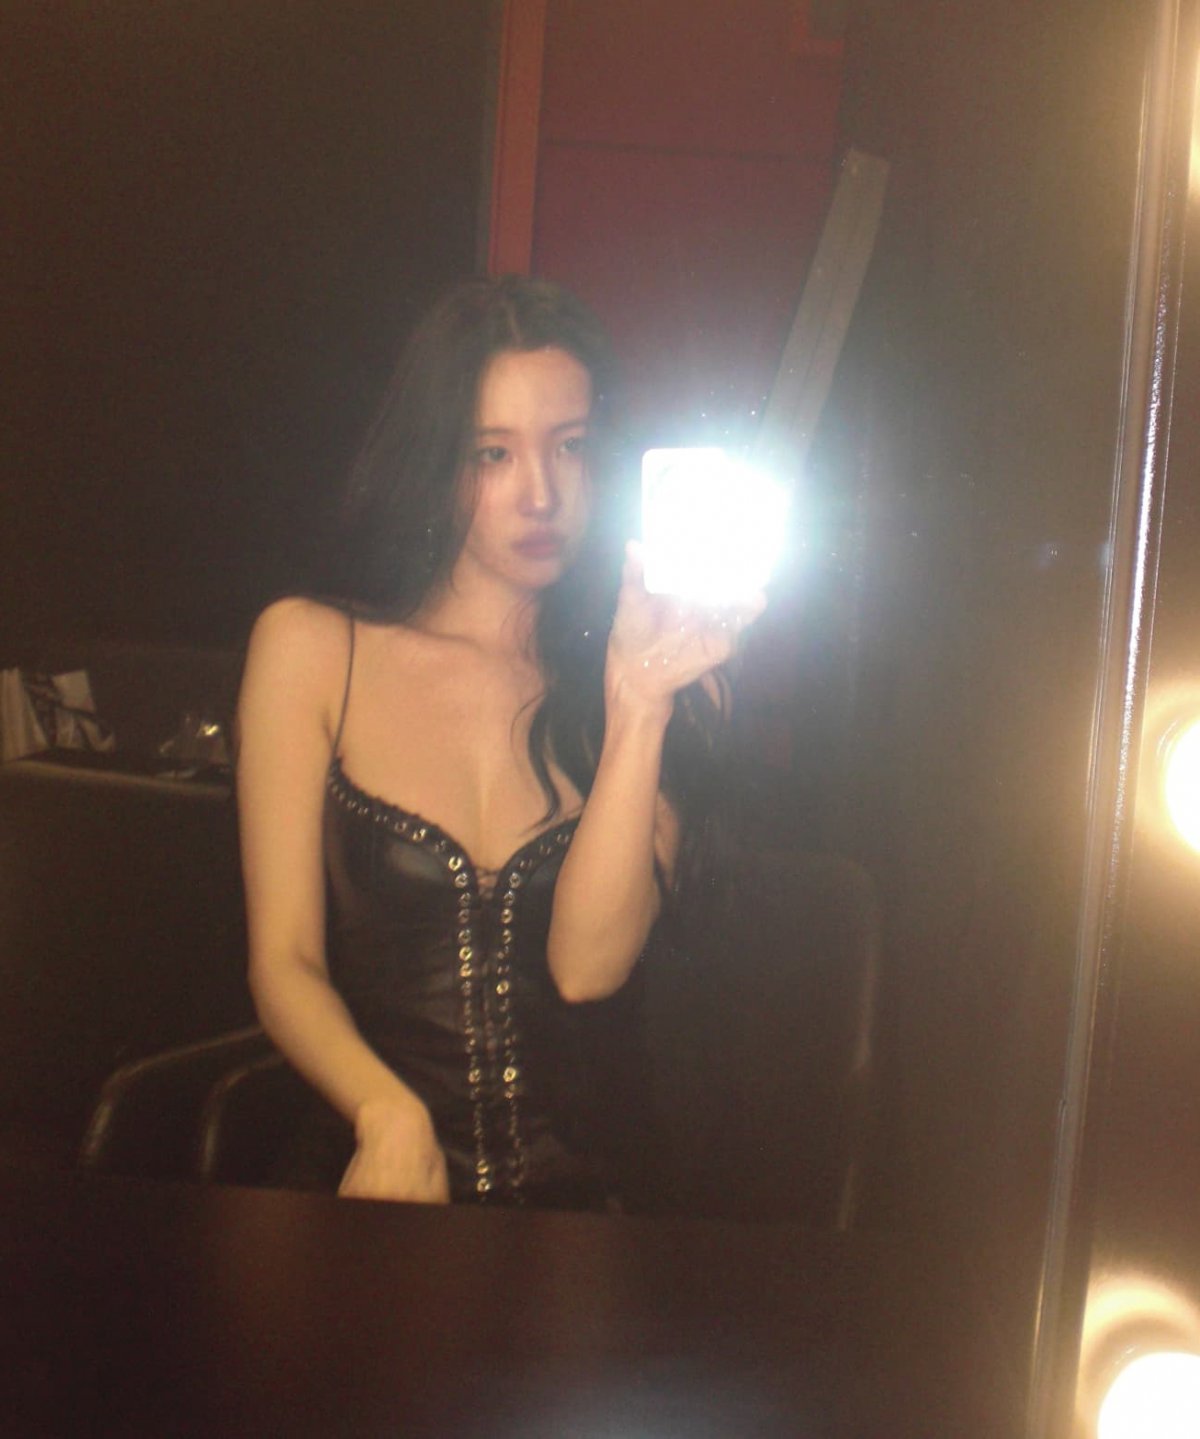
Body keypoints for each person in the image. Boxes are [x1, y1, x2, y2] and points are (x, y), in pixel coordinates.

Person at [236, 275, 762, 1210]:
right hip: (377, 1174)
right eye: (494, 453)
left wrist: (639, 703)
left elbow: (587, 969)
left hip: (594, 1208)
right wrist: (384, 1113)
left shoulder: (669, 674)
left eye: (570, 446)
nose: (541, 495)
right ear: (437, 459)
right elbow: (285, 962)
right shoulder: (310, 649)